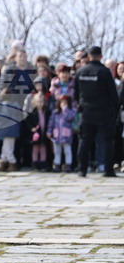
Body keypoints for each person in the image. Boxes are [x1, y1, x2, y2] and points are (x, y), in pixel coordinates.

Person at [74, 45, 119, 177]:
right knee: (107, 141)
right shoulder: (105, 72)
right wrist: (114, 112)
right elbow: (113, 95)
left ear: (88, 57)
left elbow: (76, 94)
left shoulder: (80, 72)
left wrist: (82, 105)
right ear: (101, 56)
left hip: (86, 112)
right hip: (103, 112)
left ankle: (82, 169)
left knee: (84, 140)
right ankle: (108, 170)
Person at [47, 95, 76, 173]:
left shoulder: (71, 111)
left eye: (65, 103)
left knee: (67, 150)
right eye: (62, 102)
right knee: (57, 151)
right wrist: (49, 131)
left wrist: (65, 110)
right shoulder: (55, 112)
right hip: (57, 135)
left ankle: (68, 165)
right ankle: (57, 164)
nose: (63, 104)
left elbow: (71, 117)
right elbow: (51, 123)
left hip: (66, 135)